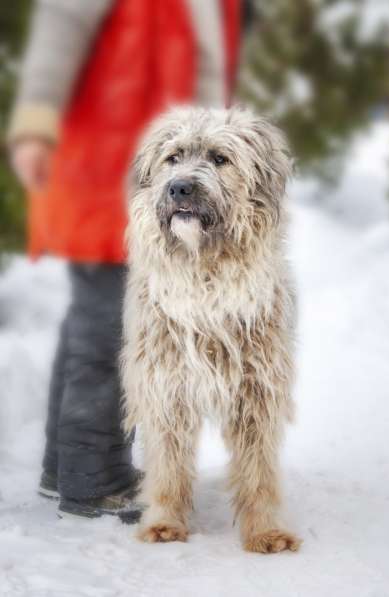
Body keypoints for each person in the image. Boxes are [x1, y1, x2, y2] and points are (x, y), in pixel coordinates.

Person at [8, 0, 241, 519]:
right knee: (117, 328)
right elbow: (62, 23)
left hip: (155, 176)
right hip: (106, 176)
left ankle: (65, 468)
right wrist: (34, 125)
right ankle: (96, 481)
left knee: (93, 324)